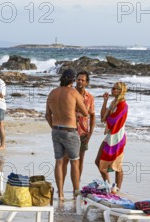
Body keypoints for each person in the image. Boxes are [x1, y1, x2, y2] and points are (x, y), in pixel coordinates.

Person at [45, 68, 88, 201]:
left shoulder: (52, 93)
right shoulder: (73, 93)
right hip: (70, 131)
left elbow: (47, 115)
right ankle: (76, 193)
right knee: (75, 162)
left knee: (59, 162)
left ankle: (61, 194)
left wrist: (54, 127)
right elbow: (85, 112)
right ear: (73, 80)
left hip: (56, 130)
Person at [62, 71, 95, 183]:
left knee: (80, 159)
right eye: (78, 79)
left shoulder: (89, 97)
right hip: (69, 131)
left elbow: (92, 115)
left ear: (87, 82)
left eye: (82, 80)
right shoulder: (69, 93)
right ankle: (60, 185)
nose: (80, 82)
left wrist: (90, 133)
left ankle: (77, 186)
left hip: (83, 132)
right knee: (65, 159)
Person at [96, 81, 128, 194]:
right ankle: (108, 185)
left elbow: (113, 120)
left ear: (121, 91)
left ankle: (116, 189)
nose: (112, 90)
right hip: (110, 135)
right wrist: (104, 102)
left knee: (117, 165)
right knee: (98, 161)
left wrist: (107, 116)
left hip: (118, 137)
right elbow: (102, 118)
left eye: (115, 89)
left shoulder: (123, 105)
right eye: (112, 88)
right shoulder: (113, 102)